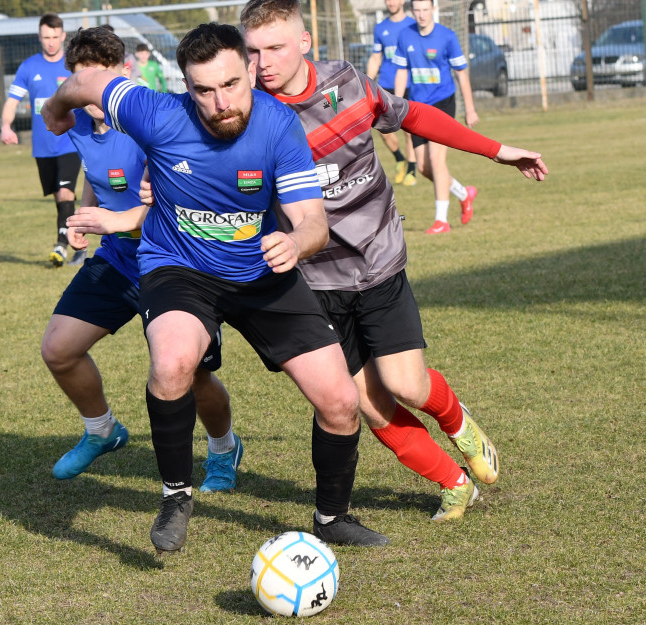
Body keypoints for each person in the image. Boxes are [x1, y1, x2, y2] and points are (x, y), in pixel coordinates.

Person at [43, 23, 389, 552]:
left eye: (230, 85)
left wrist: (297, 244)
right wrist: (55, 111)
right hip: (178, 267)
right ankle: (177, 495)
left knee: (341, 400)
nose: (220, 102)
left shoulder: (278, 127)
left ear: (250, 70)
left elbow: (313, 222)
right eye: (204, 90)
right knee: (172, 363)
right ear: (186, 86)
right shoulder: (157, 111)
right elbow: (87, 83)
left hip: (262, 273)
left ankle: (332, 517)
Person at [239, 0, 546, 519]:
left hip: (378, 259)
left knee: (406, 385)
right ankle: (453, 482)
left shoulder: (349, 84)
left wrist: (497, 150)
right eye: (252, 51)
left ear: (305, 43)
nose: (263, 62)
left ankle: (460, 426)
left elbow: (416, 115)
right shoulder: (248, 114)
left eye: (275, 48)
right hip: (312, 279)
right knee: (369, 404)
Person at [41, 27, 241, 495]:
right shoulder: (81, 128)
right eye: (79, 78)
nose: (88, 89)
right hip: (117, 259)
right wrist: (84, 220)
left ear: (123, 75)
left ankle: (223, 447)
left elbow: (176, 198)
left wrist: (117, 220)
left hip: (174, 261)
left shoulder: (156, 120)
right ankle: (102, 430)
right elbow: (100, 180)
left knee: (193, 376)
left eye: (99, 78)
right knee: (59, 350)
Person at [0, 13, 83, 267]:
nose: (50, 42)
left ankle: (62, 246)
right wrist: (6, 125)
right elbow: (12, 101)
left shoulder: (72, 65)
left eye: (55, 37)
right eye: (46, 37)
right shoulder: (28, 67)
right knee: (59, 197)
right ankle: (72, 239)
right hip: (43, 148)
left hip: (70, 142)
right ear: (39, 36)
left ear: (63, 36)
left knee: (66, 192)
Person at [393, 0, 480, 234]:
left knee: (437, 158)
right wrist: (396, 106)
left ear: (434, 9)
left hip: (443, 104)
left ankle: (441, 220)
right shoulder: (405, 36)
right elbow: (401, 71)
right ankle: (464, 193)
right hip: (417, 107)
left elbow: (462, 75)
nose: (421, 15)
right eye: (417, 10)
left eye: (425, 10)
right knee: (422, 166)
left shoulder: (448, 37)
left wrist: (470, 109)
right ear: (412, 11)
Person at [366, 0, 417, 186]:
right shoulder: (380, 28)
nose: (391, 2)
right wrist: (366, 82)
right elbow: (376, 57)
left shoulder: (413, 25)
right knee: (382, 127)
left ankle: (412, 169)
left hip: (409, 84)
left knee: (409, 130)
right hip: (386, 84)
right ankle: (399, 158)